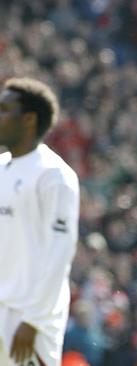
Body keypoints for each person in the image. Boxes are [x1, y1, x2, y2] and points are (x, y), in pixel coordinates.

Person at [0, 77, 80, 366]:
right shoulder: (1, 169)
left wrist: (32, 320)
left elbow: (60, 252)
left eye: (4, 108)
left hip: (29, 320)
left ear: (30, 119)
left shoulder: (54, 175)